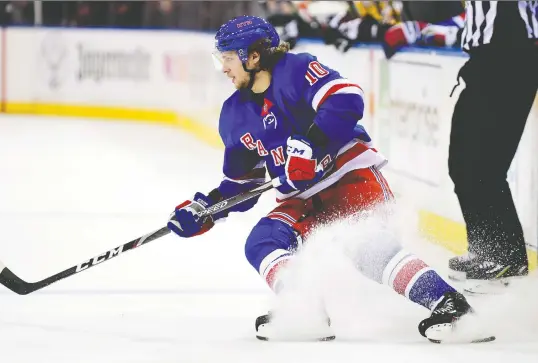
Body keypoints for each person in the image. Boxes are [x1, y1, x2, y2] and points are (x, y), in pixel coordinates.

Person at [166, 15, 493, 343]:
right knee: (262, 242)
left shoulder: (295, 70)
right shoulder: (234, 114)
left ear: (253, 56)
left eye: (227, 57)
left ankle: (452, 307)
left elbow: (347, 98)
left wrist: (310, 144)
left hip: (349, 177)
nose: (223, 68)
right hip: (300, 199)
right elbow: (244, 185)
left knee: (361, 244)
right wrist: (206, 208)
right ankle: (304, 309)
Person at [447, 1, 537, 294]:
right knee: (461, 163)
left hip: (511, 55)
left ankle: (507, 258)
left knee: (485, 166)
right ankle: (484, 248)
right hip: (484, 60)